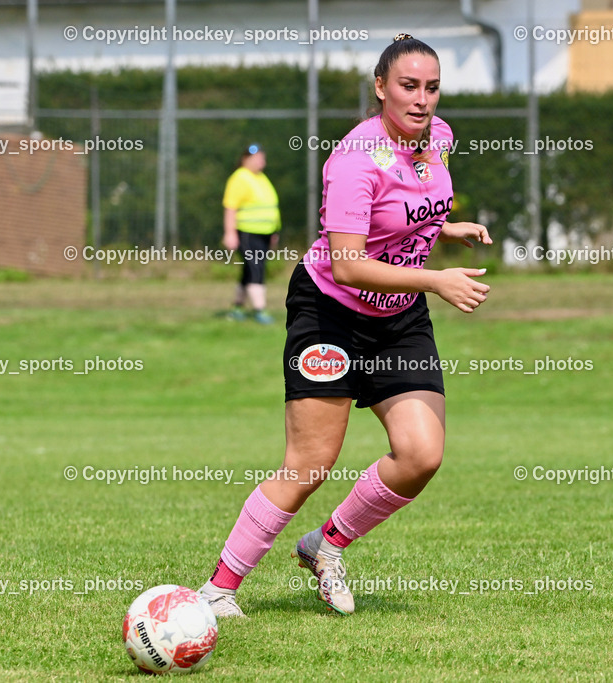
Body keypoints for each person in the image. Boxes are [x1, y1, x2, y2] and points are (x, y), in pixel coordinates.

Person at [199, 34, 492, 617]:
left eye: (432, 87)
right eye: (408, 86)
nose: (422, 99)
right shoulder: (355, 159)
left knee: (421, 455)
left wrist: (440, 230)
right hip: (331, 310)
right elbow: (349, 262)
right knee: (309, 463)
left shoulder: (440, 138)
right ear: (380, 87)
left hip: (397, 314)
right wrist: (437, 279)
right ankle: (218, 590)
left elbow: (416, 205)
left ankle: (324, 546)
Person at [222, 143, 281, 324]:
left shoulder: (261, 178)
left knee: (249, 269)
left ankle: (237, 307)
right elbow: (230, 207)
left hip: (264, 232)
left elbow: (270, 206)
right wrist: (229, 233)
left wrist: (274, 231)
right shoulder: (240, 178)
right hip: (248, 232)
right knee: (256, 268)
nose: (261, 161)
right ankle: (260, 309)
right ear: (245, 159)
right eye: (257, 158)